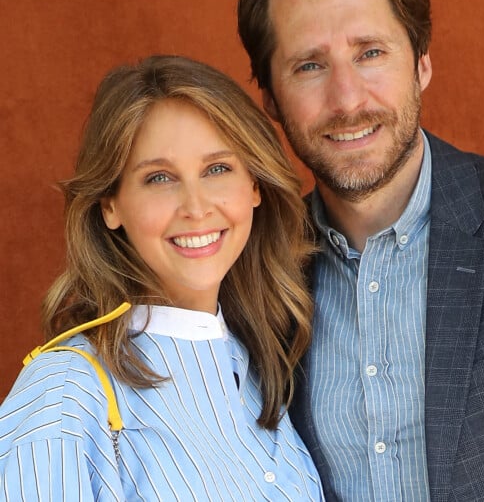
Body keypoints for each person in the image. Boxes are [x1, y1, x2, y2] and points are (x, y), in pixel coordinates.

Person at [237, 0, 484, 500]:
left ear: (421, 64)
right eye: (309, 66)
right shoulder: (254, 269)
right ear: (270, 97)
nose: (347, 100)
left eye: (370, 53)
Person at [0, 55, 324, 500]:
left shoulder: (262, 368)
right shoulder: (64, 394)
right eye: (158, 178)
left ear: (255, 186)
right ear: (110, 205)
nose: (195, 206)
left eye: (217, 169)